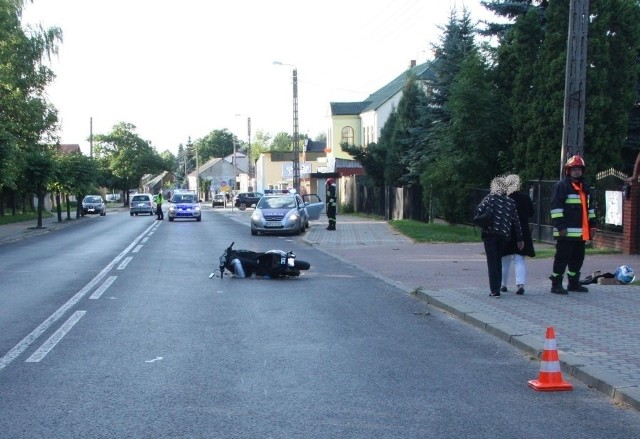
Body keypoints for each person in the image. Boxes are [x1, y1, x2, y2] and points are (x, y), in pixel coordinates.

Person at [549, 155, 598, 294]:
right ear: (568, 171)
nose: (577, 172)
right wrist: (561, 226)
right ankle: (556, 284)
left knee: (577, 259)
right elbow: (556, 208)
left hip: (581, 233)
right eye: (574, 169)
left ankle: (573, 283)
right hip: (565, 232)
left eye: (579, 169)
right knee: (561, 259)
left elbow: (591, 209)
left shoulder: (586, 188)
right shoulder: (561, 186)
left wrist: (593, 225)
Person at [476, 175, 524, 298]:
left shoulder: (490, 198)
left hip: (490, 234)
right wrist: (519, 238)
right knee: (498, 260)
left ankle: (494, 290)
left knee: (492, 262)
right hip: (504, 235)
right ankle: (497, 286)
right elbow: (516, 221)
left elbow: (479, 209)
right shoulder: (510, 202)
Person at [500, 174, 535, 295]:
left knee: (505, 259)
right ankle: (520, 285)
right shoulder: (525, 198)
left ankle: (503, 284)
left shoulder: (504, 198)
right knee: (519, 259)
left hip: (507, 231)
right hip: (523, 230)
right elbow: (531, 213)